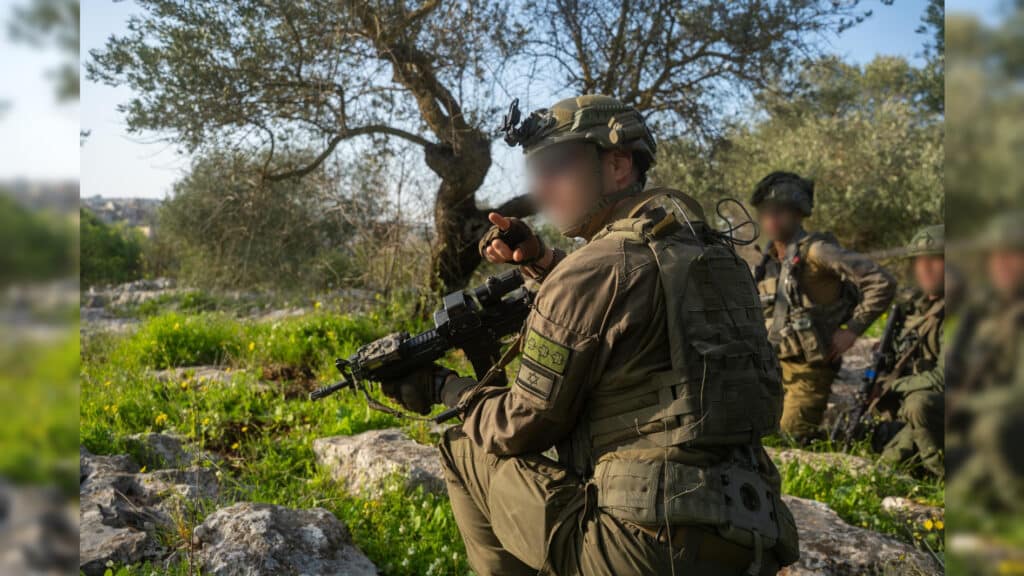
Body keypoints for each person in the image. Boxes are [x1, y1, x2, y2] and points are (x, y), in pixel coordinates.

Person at [379, 95, 799, 575]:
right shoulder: (709, 253)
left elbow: (515, 428)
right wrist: (543, 263)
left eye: (557, 167)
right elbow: (634, 297)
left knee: (465, 446)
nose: (542, 188)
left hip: (647, 551)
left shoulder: (592, 271)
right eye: (535, 172)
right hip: (753, 535)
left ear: (618, 165)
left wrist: (443, 387)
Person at [752, 172, 896, 443]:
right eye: (766, 212)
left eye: (779, 211)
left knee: (787, 440)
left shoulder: (817, 251)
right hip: (771, 368)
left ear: (798, 213)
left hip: (808, 372)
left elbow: (882, 282)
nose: (771, 219)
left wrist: (852, 330)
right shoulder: (770, 258)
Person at [947, 212, 1024, 513]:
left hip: (1004, 419)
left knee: (991, 429)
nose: (1002, 264)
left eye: (1012, 255)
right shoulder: (984, 308)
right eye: (995, 256)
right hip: (982, 415)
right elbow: (955, 363)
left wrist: (965, 404)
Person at [872, 225, 945, 477]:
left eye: (934, 260)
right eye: (919, 261)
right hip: (931, 412)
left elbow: (943, 379)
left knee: (918, 404)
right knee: (887, 465)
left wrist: (894, 386)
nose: (925, 268)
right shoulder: (914, 309)